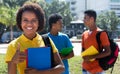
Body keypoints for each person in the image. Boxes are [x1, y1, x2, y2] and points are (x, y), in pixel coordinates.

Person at [5, 2, 65, 74]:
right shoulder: (13, 45)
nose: (29, 24)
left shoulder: (47, 40)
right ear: (20, 22)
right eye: (25, 20)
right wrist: (13, 62)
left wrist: (38, 72)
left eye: (34, 20)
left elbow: (61, 67)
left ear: (39, 22)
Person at [81, 10, 111, 74]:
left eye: (85, 18)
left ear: (92, 19)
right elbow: (83, 49)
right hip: (85, 68)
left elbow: (108, 51)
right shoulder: (84, 34)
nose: (83, 20)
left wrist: (91, 57)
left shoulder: (101, 33)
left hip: (97, 69)